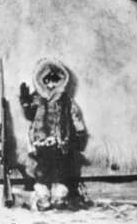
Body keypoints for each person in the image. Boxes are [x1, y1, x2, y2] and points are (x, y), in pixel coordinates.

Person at [20, 59, 88, 210]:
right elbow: (30, 115)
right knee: (42, 169)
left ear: (62, 81)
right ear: (41, 81)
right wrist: (25, 101)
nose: (51, 85)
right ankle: (43, 196)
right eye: (47, 81)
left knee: (60, 169)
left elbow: (75, 115)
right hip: (41, 142)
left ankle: (58, 195)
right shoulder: (37, 99)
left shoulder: (65, 101)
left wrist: (80, 131)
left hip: (59, 141)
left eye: (55, 81)